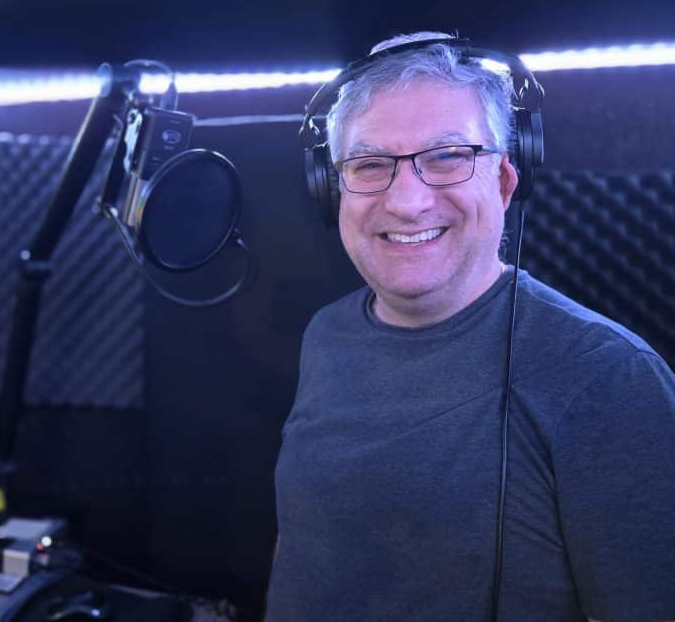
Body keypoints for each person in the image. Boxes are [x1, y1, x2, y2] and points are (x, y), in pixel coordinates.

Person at [265, 32, 675, 621]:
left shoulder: (609, 377)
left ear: (506, 181)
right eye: (370, 164)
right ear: (331, 189)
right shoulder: (326, 334)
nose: (407, 202)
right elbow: (305, 543)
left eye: (448, 157)